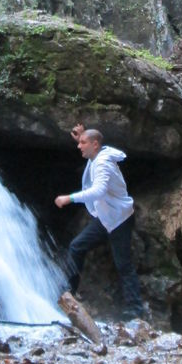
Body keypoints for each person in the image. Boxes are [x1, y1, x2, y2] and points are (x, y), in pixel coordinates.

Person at [55, 127, 145, 319]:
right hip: (105, 218)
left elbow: (98, 191)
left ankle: (135, 310)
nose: (79, 146)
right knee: (77, 247)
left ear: (95, 145)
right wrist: (82, 136)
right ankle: (68, 295)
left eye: (82, 143)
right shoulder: (98, 154)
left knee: (123, 264)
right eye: (79, 142)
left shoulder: (103, 163)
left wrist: (69, 198)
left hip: (119, 219)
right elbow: (91, 143)